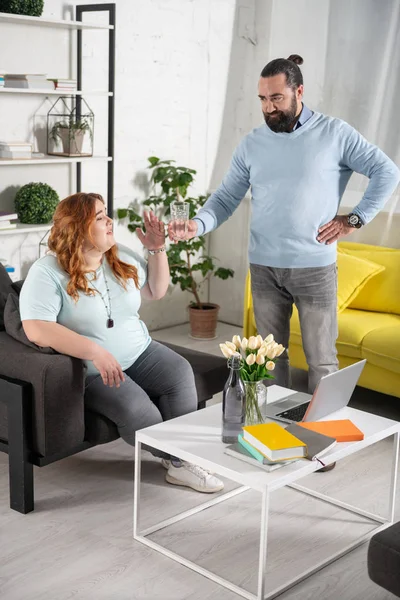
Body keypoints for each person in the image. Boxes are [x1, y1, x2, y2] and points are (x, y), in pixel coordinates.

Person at [169, 54, 400, 394]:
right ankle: (272, 430)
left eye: (276, 98)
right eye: (263, 99)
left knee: (321, 360)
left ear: (299, 91)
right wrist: (197, 225)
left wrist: (354, 218)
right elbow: (225, 197)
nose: (268, 108)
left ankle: (323, 435)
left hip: (314, 268)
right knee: (268, 359)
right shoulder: (252, 144)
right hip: (264, 269)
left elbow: (387, 171)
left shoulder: (334, 133)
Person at [19, 192, 224, 494]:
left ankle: (181, 462)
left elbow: (155, 290)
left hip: (140, 350)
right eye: (100, 217)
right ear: (77, 228)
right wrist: (95, 352)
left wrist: (157, 249)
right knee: (142, 414)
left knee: (180, 372)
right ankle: (184, 460)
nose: (110, 221)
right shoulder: (47, 273)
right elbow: (36, 328)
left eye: (106, 213)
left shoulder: (120, 255)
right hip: (92, 369)